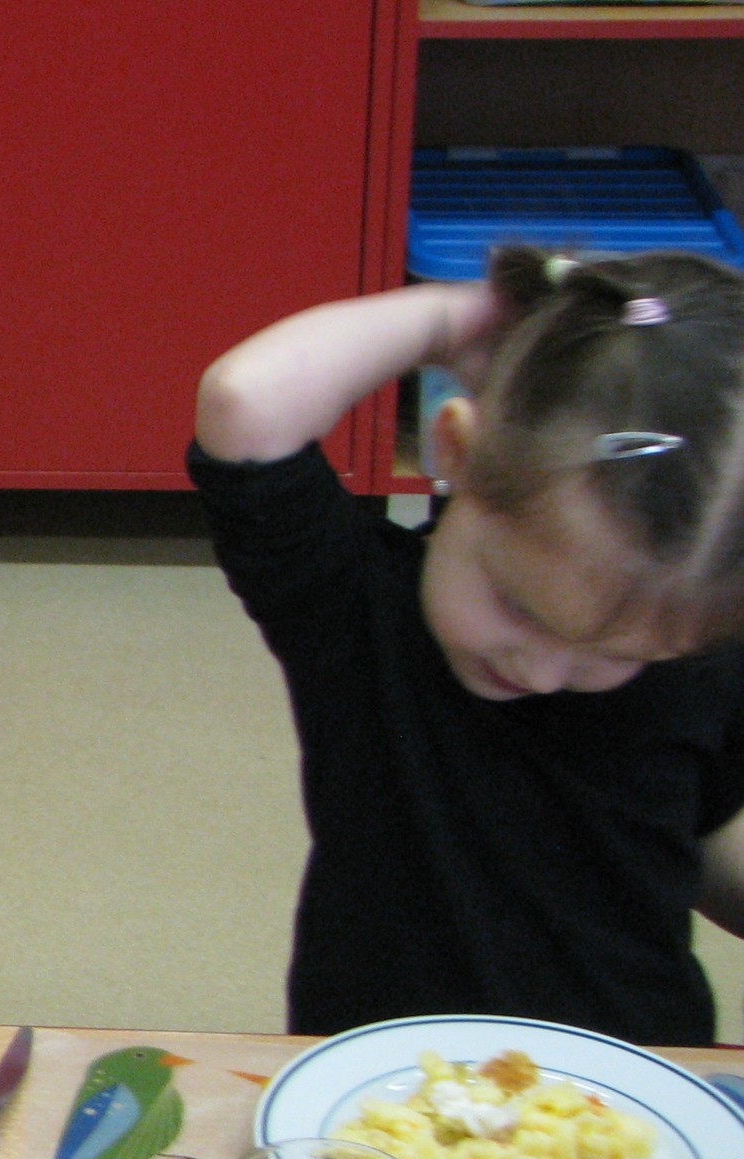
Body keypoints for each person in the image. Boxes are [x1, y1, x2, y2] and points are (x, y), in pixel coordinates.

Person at [191, 245, 744, 1045]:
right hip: (382, 1076)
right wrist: (452, 322)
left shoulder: (696, 649)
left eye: (615, 654)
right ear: (454, 453)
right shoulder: (351, 606)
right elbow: (245, 400)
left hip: (635, 1073)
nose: (542, 671)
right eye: (517, 606)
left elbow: (694, 830)